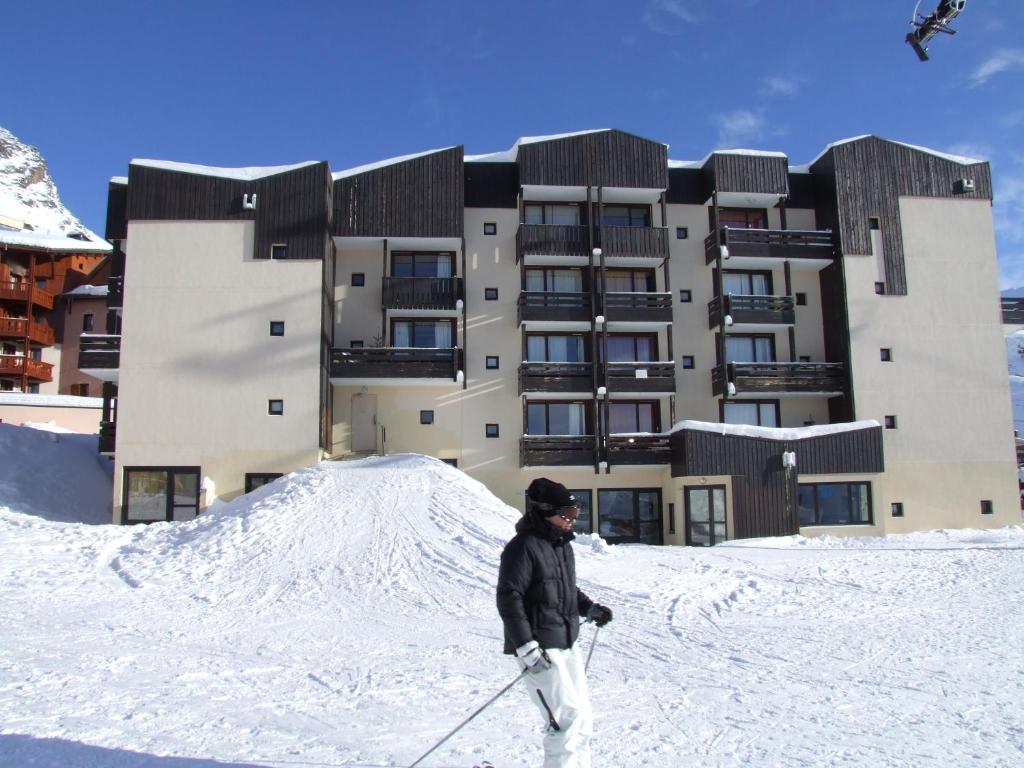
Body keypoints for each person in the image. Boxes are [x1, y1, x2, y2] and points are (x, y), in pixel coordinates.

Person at [496, 478, 613, 768]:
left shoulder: (560, 545)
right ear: (544, 511)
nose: (572, 520)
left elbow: (565, 588)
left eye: (576, 514)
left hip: (567, 643)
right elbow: (509, 598)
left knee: (582, 720)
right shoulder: (522, 548)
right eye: (567, 515)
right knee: (565, 722)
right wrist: (527, 648)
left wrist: (589, 608)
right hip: (540, 650)